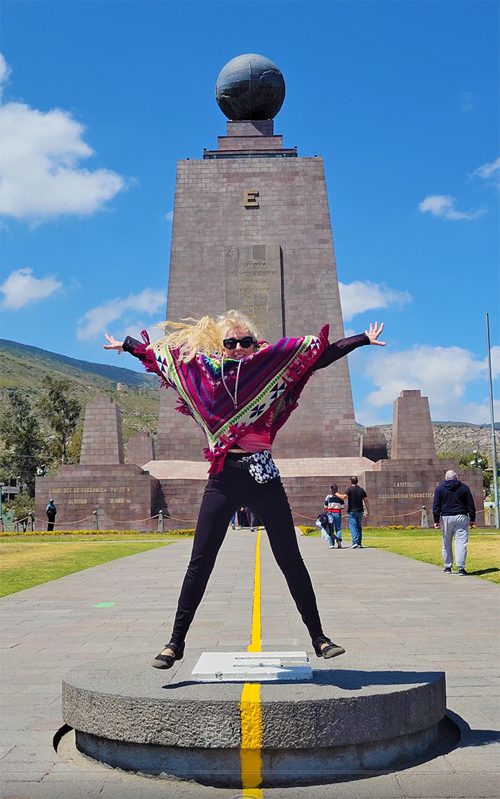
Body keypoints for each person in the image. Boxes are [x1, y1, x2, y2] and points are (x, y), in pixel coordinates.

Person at [104, 312, 385, 668]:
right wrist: (128, 345)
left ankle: (319, 637)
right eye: (230, 343)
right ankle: (175, 642)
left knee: (289, 558)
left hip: (263, 475)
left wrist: (360, 339)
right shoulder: (203, 375)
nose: (238, 348)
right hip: (223, 477)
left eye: (245, 342)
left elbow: (317, 358)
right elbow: (163, 364)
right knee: (200, 562)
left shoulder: (272, 370)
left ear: (256, 343)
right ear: (220, 346)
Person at [433, 469, 476, 575]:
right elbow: (470, 504)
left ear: (445, 478)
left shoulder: (440, 489)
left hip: (446, 516)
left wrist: (436, 520)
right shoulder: (464, 488)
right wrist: (472, 519)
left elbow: (436, 505)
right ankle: (461, 568)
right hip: (461, 516)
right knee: (461, 542)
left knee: (446, 541)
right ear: (456, 477)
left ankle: (448, 566)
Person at [346, 476, 369, 548]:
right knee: (359, 527)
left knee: (353, 526)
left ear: (351, 481)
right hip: (360, 511)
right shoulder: (362, 490)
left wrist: (336, 493)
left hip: (352, 511)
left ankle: (355, 542)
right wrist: (368, 511)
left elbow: (343, 497)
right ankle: (359, 543)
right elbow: (366, 501)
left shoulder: (349, 490)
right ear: (357, 481)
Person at [324, 484, 346, 548]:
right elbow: (342, 506)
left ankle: (331, 544)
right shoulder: (340, 497)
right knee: (338, 528)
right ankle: (339, 541)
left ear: (331, 490)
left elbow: (325, 506)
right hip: (337, 513)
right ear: (337, 489)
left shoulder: (328, 497)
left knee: (330, 529)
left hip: (330, 513)